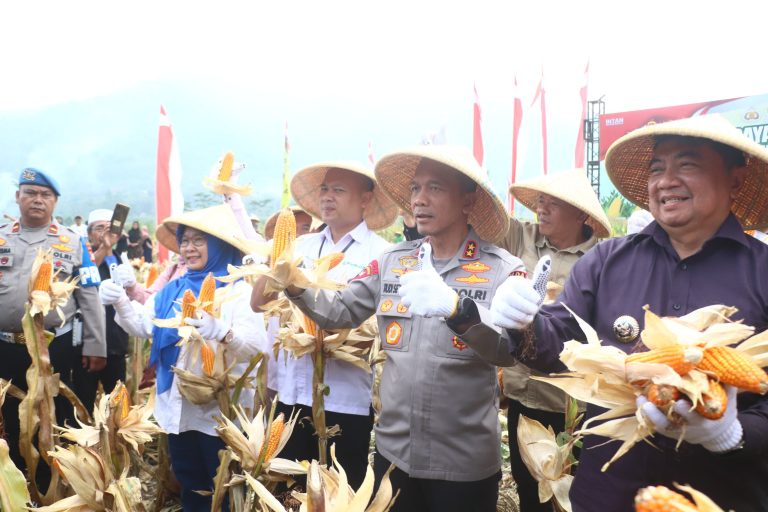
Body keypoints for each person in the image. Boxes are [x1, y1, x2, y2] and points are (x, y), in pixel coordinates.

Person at [489, 114, 768, 511]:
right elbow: (557, 347)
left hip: (724, 495)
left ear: (735, 179)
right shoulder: (607, 261)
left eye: (687, 164)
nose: (665, 181)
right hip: (608, 494)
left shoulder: (762, 271)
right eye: (657, 168)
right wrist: (523, 323)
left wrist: (733, 433)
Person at [270, 146, 525, 511]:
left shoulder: (501, 269)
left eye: (435, 188)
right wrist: (293, 285)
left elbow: (508, 351)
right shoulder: (392, 262)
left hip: (462, 465)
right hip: (394, 457)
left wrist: (459, 310)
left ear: (468, 200)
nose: (420, 200)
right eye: (416, 189)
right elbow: (339, 311)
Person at [100, 204, 267, 512]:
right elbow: (144, 326)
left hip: (221, 413)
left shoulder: (238, 293)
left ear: (219, 245)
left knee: (224, 490)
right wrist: (120, 301)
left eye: (198, 240)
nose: (188, 248)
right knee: (192, 484)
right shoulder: (172, 290)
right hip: (177, 407)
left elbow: (257, 350)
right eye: (184, 240)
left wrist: (222, 331)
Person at [252, 161, 397, 488]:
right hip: (294, 393)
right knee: (290, 494)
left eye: (339, 190)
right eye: (324, 190)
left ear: (365, 199)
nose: (328, 197)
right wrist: (274, 259)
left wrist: (340, 340)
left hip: (346, 398)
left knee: (341, 491)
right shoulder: (299, 247)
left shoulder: (383, 254)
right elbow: (258, 304)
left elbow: (384, 330)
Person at [499, 168, 611, 512]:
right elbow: (483, 214)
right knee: (529, 488)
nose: (541, 210)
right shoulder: (522, 238)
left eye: (553, 204)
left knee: (573, 494)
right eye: (540, 203)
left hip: (573, 406)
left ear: (581, 213)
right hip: (522, 396)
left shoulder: (603, 258)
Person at [0, 168, 107, 478]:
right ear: (18, 197)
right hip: (7, 347)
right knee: (12, 413)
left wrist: (95, 345)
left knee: (52, 414)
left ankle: (51, 482)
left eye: (45, 195)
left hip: (53, 347)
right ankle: (19, 479)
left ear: (55, 202)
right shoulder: (3, 236)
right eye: (30, 193)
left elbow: (89, 296)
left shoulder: (73, 242)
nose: (37, 200)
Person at [73, 209, 130, 412]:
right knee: (82, 406)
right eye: (99, 228)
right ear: (89, 234)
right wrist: (104, 247)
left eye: (109, 228)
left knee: (117, 407)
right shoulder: (81, 257)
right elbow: (86, 278)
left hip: (116, 344)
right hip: (87, 348)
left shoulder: (118, 259)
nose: (105, 232)